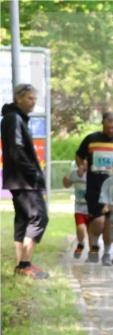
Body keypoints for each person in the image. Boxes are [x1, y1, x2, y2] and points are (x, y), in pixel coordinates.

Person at [3, 84, 49, 278]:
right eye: (30, 98)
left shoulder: (15, 118)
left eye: (34, 99)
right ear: (18, 98)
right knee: (39, 216)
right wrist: (34, 174)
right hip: (24, 180)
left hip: (19, 179)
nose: (33, 102)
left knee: (23, 218)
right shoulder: (14, 118)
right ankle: (25, 264)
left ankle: (22, 265)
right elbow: (16, 150)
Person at [75, 111, 113, 264]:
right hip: (95, 188)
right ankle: (94, 248)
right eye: (108, 127)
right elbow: (79, 155)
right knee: (98, 222)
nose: (111, 130)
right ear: (103, 124)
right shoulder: (91, 139)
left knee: (110, 224)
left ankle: (106, 254)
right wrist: (81, 166)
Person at [64, 157, 91, 258]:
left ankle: (92, 252)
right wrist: (65, 180)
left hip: (90, 206)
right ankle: (81, 243)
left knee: (90, 231)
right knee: (80, 228)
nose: (83, 164)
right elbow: (67, 184)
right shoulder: (74, 173)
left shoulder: (92, 175)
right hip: (79, 206)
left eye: (86, 162)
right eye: (81, 162)